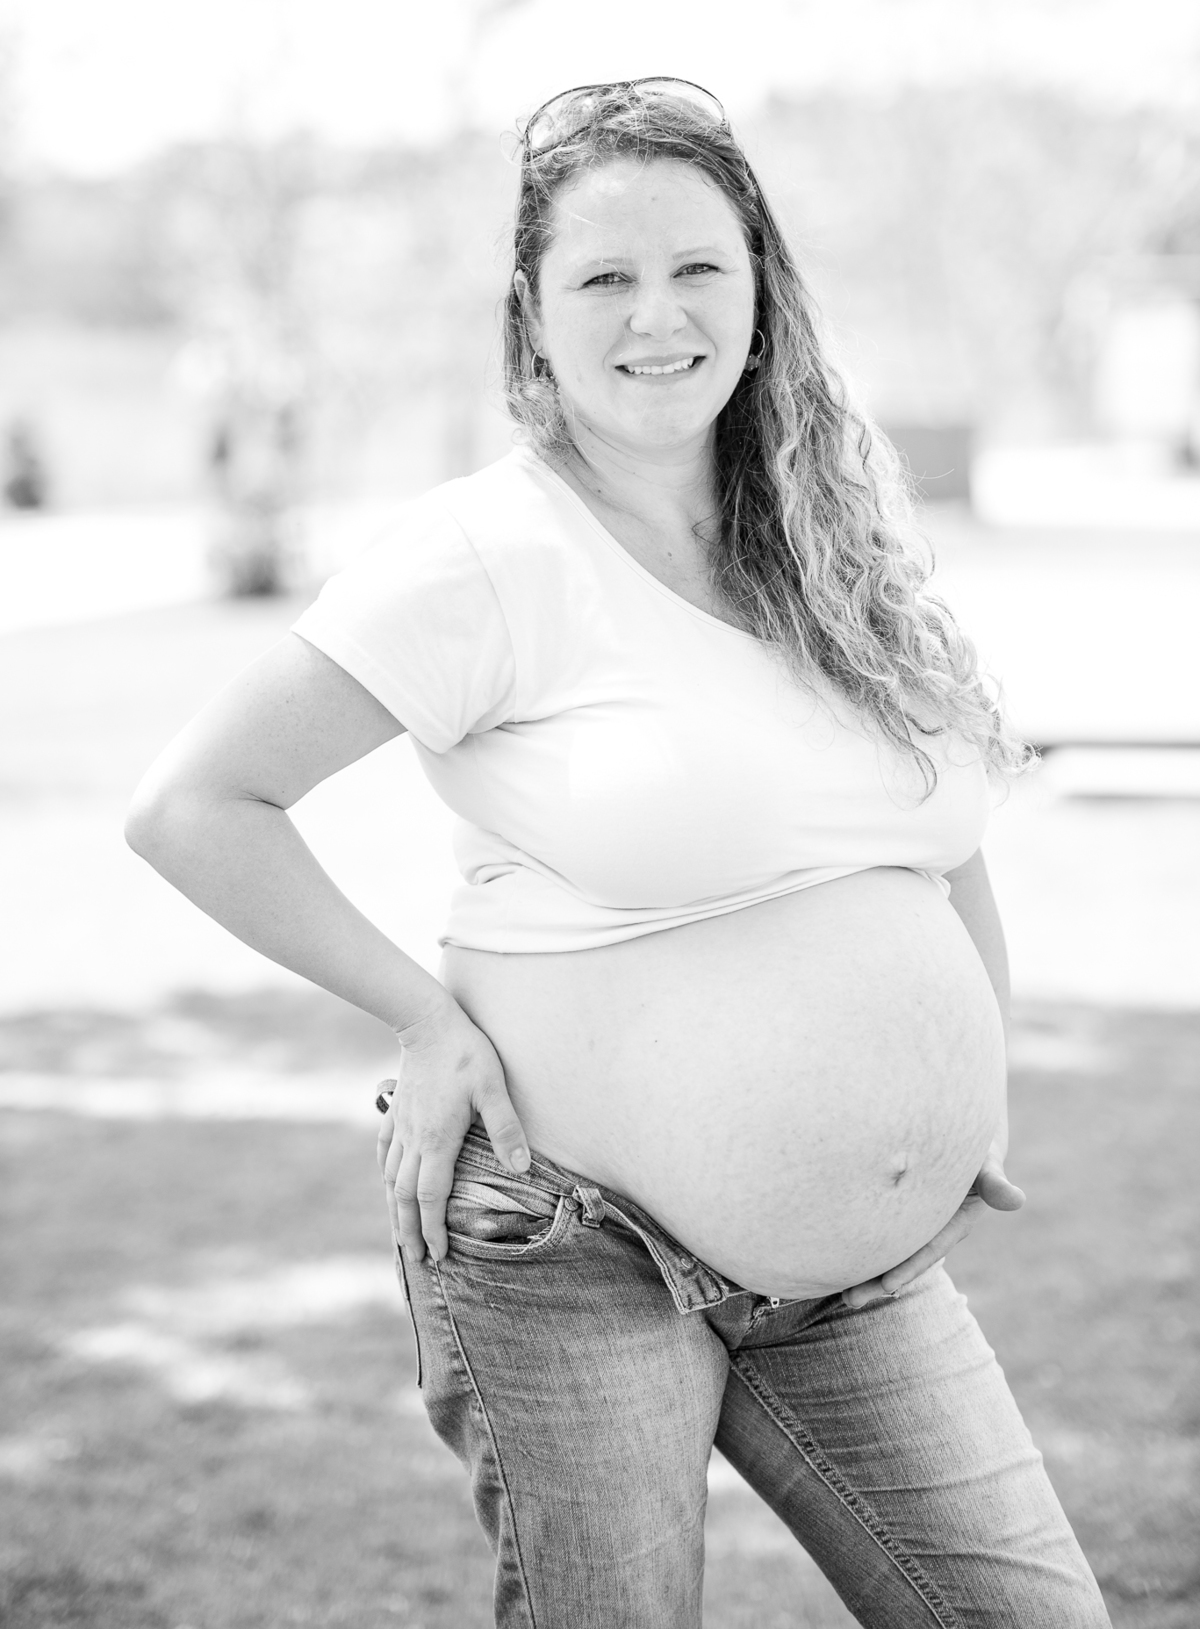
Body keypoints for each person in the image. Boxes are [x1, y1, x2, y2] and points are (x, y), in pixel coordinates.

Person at [126, 78, 1111, 1628]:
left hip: (858, 1275)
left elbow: (943, 840)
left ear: (762, 292)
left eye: (698, 266)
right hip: (575, 1240)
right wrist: (424, 1015)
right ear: (531, 313)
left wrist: (961, 1081)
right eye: (605, 277)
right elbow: (196, 803)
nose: (659, 314)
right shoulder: (485, 554)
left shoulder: (835, 539)